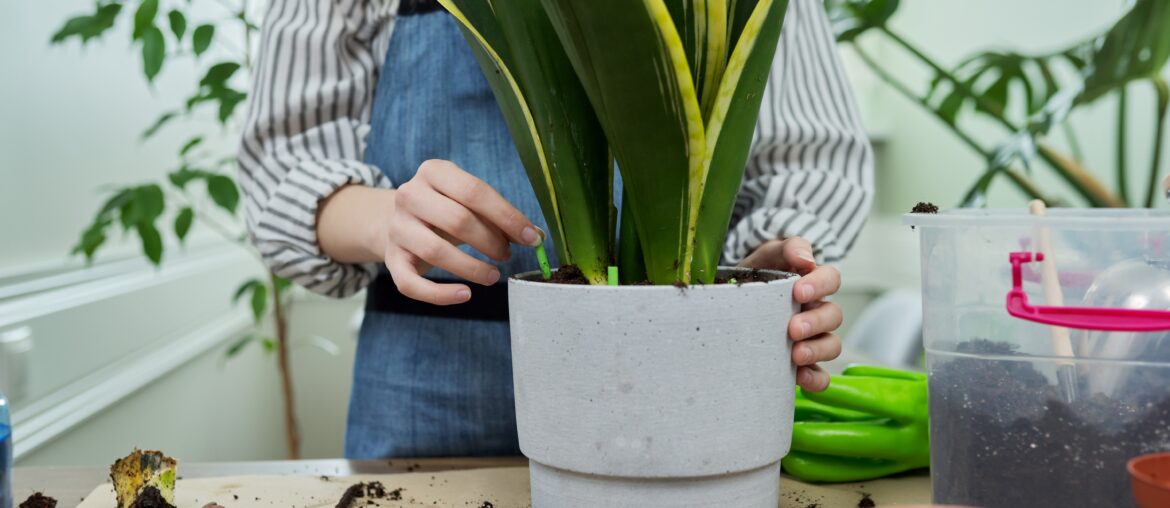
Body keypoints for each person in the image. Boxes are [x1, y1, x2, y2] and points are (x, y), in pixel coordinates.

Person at [238, 0, 873, 459]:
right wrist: (385, 219)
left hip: (679, 382)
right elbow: (282, 166)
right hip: (428, 385)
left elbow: (806, 159)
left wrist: (754, 276)